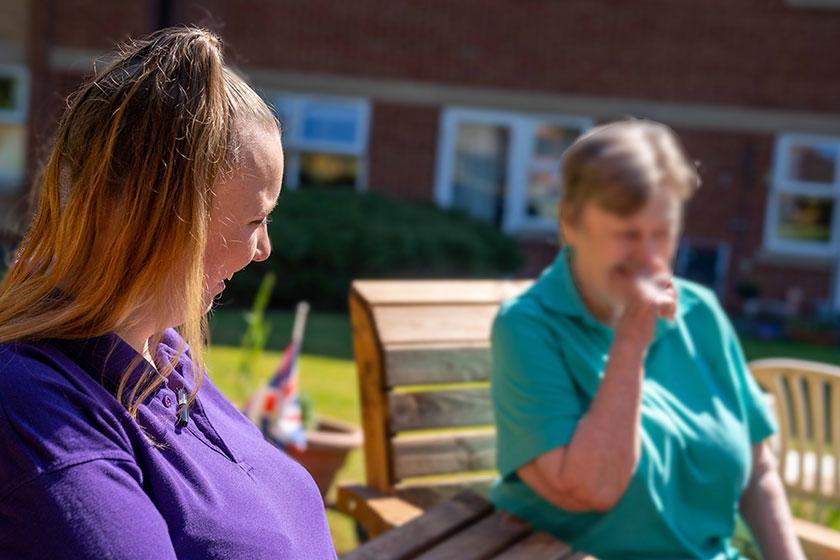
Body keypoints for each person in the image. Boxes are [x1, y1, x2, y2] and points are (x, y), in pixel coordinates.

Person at [0, 27, 336, 559]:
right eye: (254, 219)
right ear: (163, 220)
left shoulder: (163, 358)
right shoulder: (41, 410)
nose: (263, 249)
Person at [490, 120, 804, 559]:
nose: (651, 259)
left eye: (662, 234)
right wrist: (631, 342)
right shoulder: (529, 329)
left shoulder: (701, 312)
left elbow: (757, 469)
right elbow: (591, 489)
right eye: (628, 235)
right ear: (571, 225)